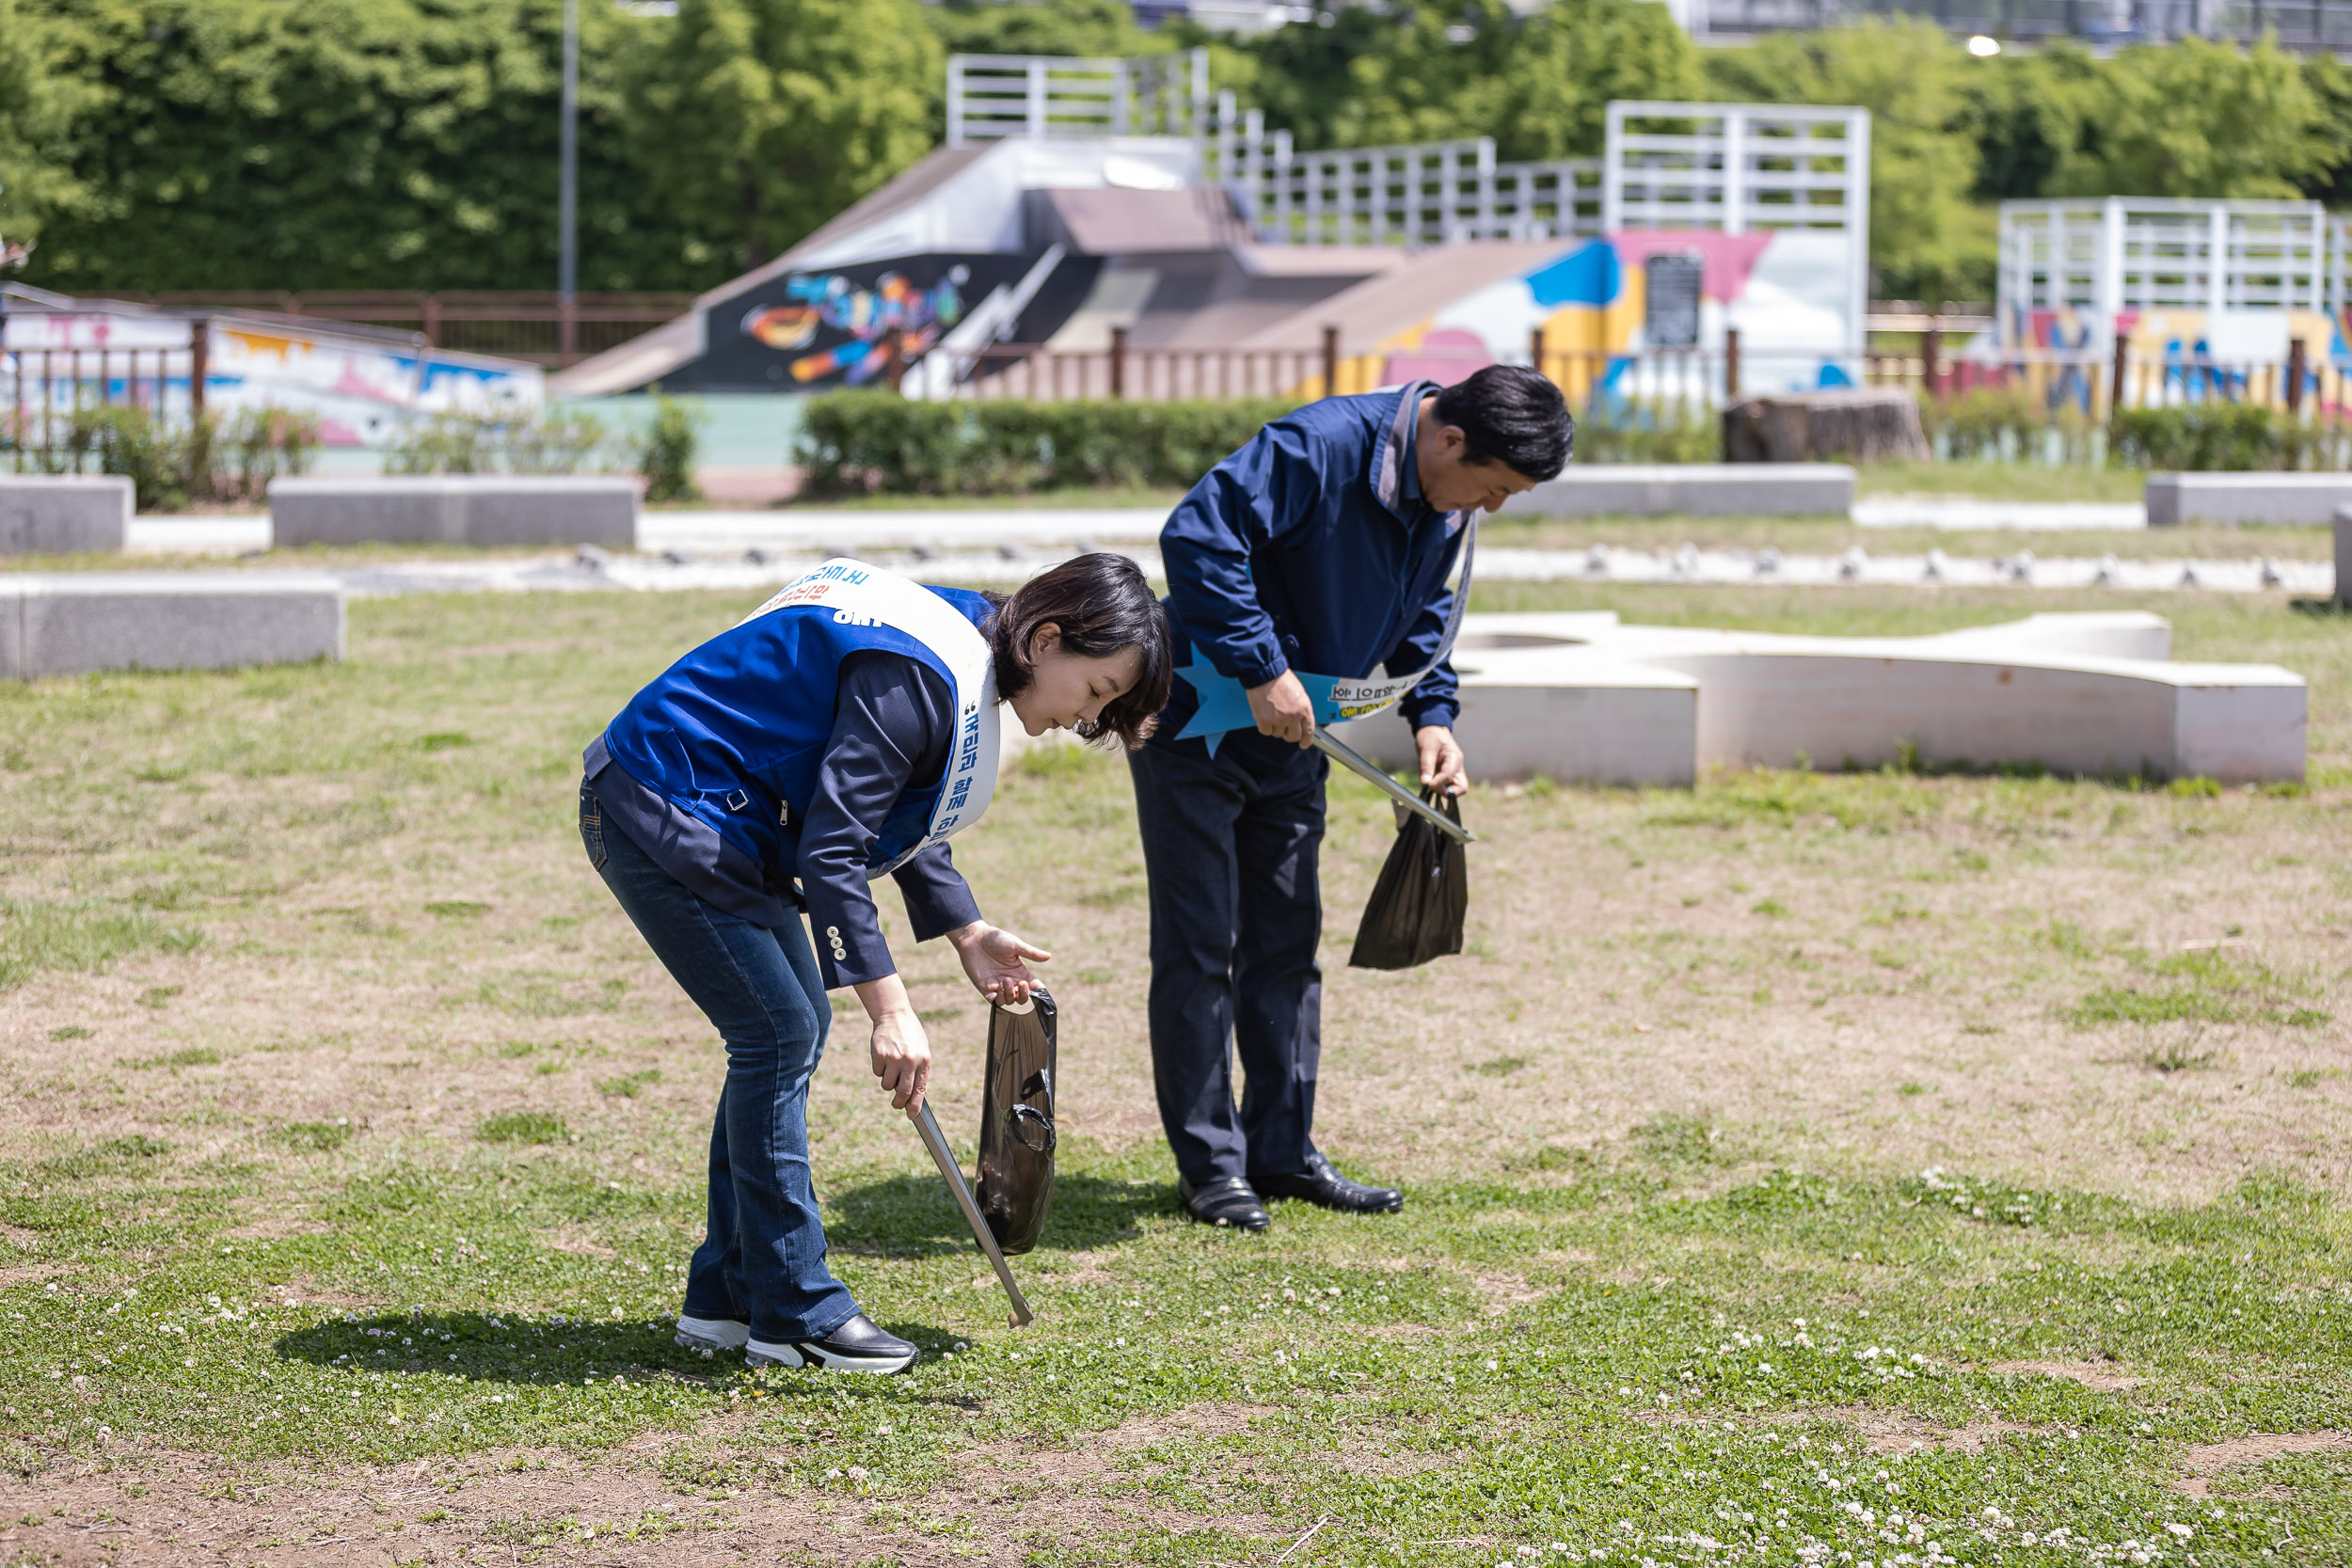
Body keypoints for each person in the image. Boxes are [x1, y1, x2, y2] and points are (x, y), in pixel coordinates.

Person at [581, 553, 1171, 1370]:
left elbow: (898, 796)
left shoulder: (969, 635)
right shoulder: (924, 673)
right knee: (780, 1032)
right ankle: (794, 1311)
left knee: (785, 1029)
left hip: (717, 811)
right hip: (662, 802)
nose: (1085, 716)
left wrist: (968, 932)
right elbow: (833, 849)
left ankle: (726, 1295)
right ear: (1045, 639)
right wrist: (892, 1011)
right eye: (1097, 690)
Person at [1131, 366, 1573, 1231]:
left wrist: (1432, 717)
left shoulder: (1442, 499)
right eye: (1492, 489)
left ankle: (1283, 1151)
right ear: (1450, 441)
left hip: (1301, 735)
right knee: (1200, 943)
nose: (1492, 509)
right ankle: (1213, 1167)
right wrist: (1263, 667)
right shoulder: (1320, 445)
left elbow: (1422, 615)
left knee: (1288, 939)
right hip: (1195, 722)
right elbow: (1195, 535)